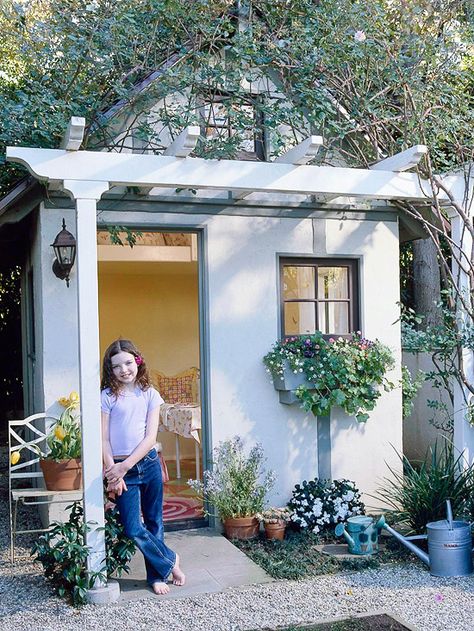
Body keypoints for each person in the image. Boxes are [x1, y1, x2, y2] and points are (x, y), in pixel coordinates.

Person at [101, 338, 185, 595]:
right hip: (119, 468)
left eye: (128, 362)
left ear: (137, 361)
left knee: (154, 521)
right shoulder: (106, 397)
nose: (124, 369)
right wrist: (113, 472)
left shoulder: (150, 394)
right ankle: (171, 559)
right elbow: (103, 438)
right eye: (117, 366)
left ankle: (157, 576)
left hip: (146, 464)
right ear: (110, 370)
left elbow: (150, 438)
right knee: (132, 526)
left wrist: (124, 467)